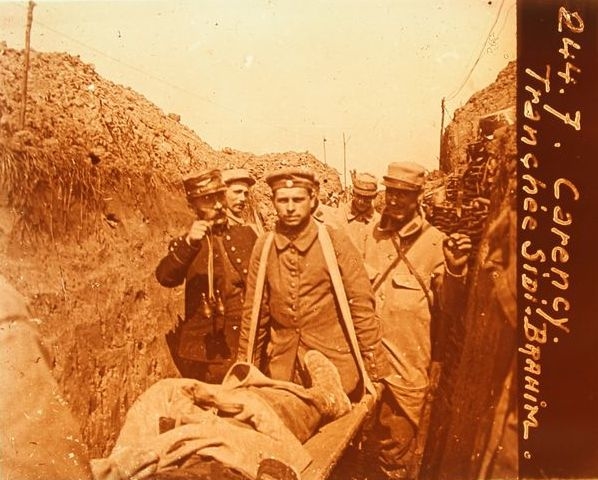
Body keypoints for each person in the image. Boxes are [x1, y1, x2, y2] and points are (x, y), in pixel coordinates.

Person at [0, 274, 352, 480]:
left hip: (185, 427)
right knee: (272, 407)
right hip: (234, 440)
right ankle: (323, 397)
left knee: (178, 393)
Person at [237, 167, 391, 441]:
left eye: (298, 199)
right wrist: (243, 369)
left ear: (313, 200)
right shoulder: (265, 246)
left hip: (336, 370)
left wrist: (374, 373)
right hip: (284, 373)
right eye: (282, 201)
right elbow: (254, 316)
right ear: (273, 203)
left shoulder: (334, 241)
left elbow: (361, 307)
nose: (290, 208)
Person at [362, 161, 472, 479]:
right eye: (391, 192)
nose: (395, 201)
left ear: (418, 197)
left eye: (404, 195)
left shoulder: (437, 242)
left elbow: (450, 309)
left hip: (404, 376)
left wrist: (454, 270)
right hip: (365, 373)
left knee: (394, 460)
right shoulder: (368, 237)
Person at [156, 168, 257, 383]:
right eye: (208, 200)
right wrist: (189, 243)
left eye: (220, 197)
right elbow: (165, 277)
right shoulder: (187, 243)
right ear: (192, 206)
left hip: (245, 339)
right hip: (207, 353)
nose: (219, 205)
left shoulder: (247, 235)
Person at [341, 171, 381, 256]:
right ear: (353, 192)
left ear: (374, 196)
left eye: (366, 197)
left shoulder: (379, 222)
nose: (361, 202)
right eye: (358, 195)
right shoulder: (338, 216)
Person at [221, 167, 264, 234]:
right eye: (237, 192)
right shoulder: (217, 227)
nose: (243, 198)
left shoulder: (251, 228)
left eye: (246, 193)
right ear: (223, 193)